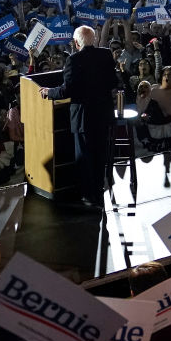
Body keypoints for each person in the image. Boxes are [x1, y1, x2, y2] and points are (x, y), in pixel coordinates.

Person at [40, 25, 116, 209]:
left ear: (76, 42)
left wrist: (49, 92)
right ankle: (98, 192)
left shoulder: (74, 59)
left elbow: (68, 90)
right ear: (95, 39)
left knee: (85, 158)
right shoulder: (106, 55)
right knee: (99, 156)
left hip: (84, 118)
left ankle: (89, 197)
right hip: (103, 115)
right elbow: (113, 81)